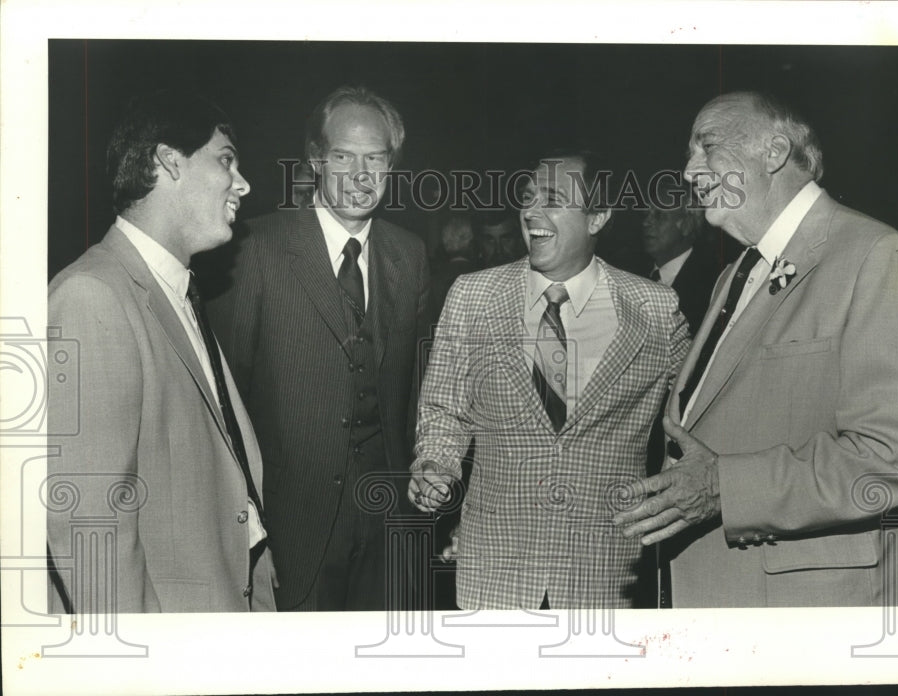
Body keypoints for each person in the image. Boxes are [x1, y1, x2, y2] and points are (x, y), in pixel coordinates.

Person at [614, 91, 898, 607]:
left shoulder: (879, 255)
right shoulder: (736, 274)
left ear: (773, 152)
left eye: (707, 146)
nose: (687, 170)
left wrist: (726, 486)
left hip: (818, 612)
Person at [409, 150, 691, 609]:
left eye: (553, 199)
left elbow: (695, 419)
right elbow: (445, 410)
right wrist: (434, 466)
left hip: (605, 575)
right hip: (494, 575)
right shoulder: (472, 296)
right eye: (527, 198)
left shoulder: (655, 309)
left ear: (598, 216)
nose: (531, 212)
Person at [46, 90, 276, 612]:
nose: (243, 183)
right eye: (225, 159)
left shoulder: (176, 293)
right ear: (169, 161)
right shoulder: (92, 297)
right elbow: (90, 527)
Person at [210, 86, 429, 611]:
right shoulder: (255, 249)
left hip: (387, 530)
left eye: (375, 158)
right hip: (291, 531)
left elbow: (417, 392)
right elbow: (223, 400)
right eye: (343, 157)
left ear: (392, 164)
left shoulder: (410, 254)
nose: (360, 175)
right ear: (314, 159)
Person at [642, 177, 724, 334]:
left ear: (687, 224)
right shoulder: (632, 272)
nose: (646, 222)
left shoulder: (711, 285)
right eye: (646, 214)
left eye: (659, 215)